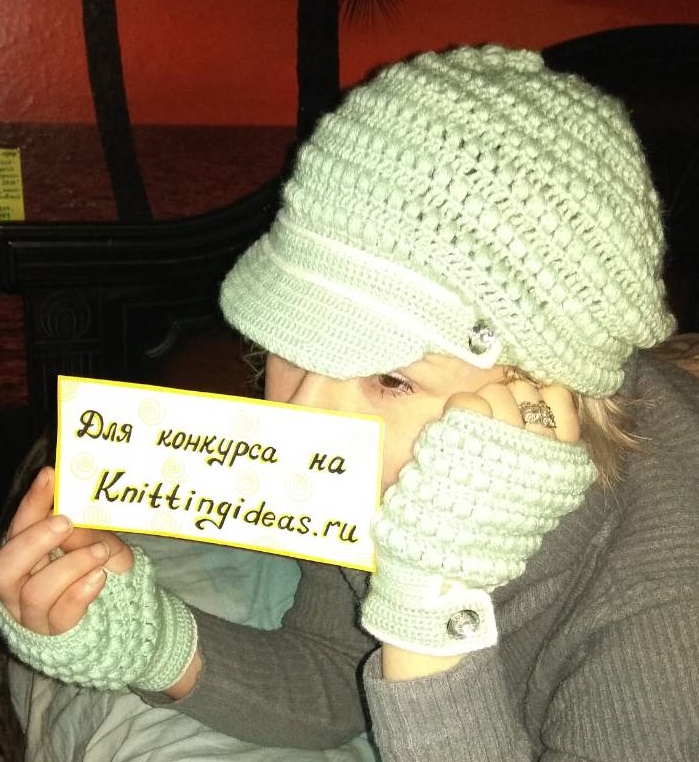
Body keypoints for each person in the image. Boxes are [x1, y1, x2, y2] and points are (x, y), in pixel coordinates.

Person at [1, 43, 699, 761]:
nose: (301, 420)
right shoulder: (383, 466)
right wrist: (151, 642)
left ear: (548, 394)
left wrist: (432, 606)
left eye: (391, 379)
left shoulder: (667, 608)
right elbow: (344, 672)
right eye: (290, 342)